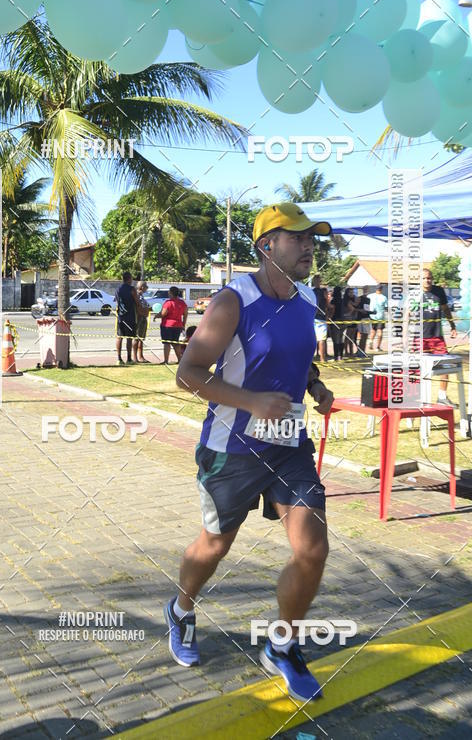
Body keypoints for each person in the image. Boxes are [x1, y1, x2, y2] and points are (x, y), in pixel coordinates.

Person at [168, 202, 335, 702]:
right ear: (266, 246)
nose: (308, 247)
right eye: (297, 237)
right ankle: (181, 609)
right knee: (214, 546)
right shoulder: (232, 302)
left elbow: (298, 360)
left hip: (288, 446)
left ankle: (282, 646)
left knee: (312, 549)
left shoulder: (307, 298)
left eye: (311, 239)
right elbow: (187, 374)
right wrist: (252, 402)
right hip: (232, 448)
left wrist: (315, 386)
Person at [417, 268, 458, 404]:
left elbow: (446, 309)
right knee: (417, 369)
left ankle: (442, 396)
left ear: (432, 279)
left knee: (445, 365)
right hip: (420, 337)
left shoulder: (439, 291)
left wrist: (452, 325)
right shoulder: (415, 294)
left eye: (429, 278)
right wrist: (405, 335)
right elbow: (407, 314)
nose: (426, 280)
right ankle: (416, 399)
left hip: (437, 336)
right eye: (423, 278)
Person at [154, 287, 188, 364]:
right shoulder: (182, 303)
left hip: (167, 325)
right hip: (178, 325)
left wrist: (156, 316)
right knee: (175, 343)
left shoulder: (168, 302)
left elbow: (163, 313)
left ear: (171, 293)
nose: (168, 293)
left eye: (169, 292)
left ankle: (166, 361)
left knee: (167, 343)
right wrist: (183, 324)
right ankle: (180, 360)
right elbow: (185, 314)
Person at [114, 272, 139, 365]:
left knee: (119, 337)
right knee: (129, 338)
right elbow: (137, 302)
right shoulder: (132, 289)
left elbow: (117, 301)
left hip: (120, 316)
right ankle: (129, 358)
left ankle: (119, 359)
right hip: (130, 316)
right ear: (129, 279)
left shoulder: (118, 289)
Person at [311, 274, 329, 363]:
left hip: (313, 317)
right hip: (320, 317)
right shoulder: (323, 291)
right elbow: (328, 303)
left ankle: (313, 358)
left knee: (313, 338)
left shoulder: (311, 292)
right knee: (321, 339)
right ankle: (322, 358)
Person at [132, 281, 151, 363]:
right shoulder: (137, 295)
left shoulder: (141, 295)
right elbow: (137, 307)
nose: (147, 288)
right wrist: (143, 313)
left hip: (143, 318)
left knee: (141, 338)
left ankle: (141, 356)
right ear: (142, 287)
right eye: (146, 286)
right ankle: (135, 357)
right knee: (137, 338)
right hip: (139, 319)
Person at [369, 284, 388, 352]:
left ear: (376, 289)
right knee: (380, 331)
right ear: (381, 289)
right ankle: (378, 347)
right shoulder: (384, 297)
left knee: (373, 330)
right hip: (380, 316)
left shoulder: (370, 296)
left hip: (372, 316)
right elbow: (386, 307)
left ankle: (371, 341)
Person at [355, 286, 371, 357]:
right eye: (365, 289)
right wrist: (360, 310)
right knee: (363, 336)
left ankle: (362, 351)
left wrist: (370, 312)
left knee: (364, 336)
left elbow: (367, 309)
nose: (366, 291)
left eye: (367, 289)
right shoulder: (359, 298)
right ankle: (361, 351)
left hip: (366, 317)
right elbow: (356, 308)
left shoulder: (368, 299)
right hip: (361, 318)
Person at [342, 288, 358, 357]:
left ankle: (351, 352)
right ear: (347, 293)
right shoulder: (347, 300)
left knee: (352, 337)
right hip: (349, 319)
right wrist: (348, 314)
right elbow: (353, 308)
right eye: (350, 292)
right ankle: (346, 352)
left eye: (352, 292)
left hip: (354, 319)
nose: (352, 294)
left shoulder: (353, 299)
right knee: (348, 337)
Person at [328, 286, 343, 361]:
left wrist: (329, 318)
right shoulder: (342, 300)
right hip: (342, 320)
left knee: (335, 339)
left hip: (334, 320)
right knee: (340, 338)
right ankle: (341, 355)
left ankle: (336, 356)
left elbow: (332, 310)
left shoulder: (333, 301)